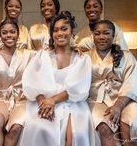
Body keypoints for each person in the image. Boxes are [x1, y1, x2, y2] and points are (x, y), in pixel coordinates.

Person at [19, 11, 100, 146]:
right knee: (40, 128)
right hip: (44, 103)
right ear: (51, 34)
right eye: (55, 30)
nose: (60, 33)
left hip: (73, 103)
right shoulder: (42, 56)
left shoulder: (82, 58)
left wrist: (53, 100)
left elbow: (79, 89)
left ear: (72, 31)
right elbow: (32, 83)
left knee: (74, 134)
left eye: (64, 29)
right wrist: (43, 104)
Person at [87, 20, 137, 146]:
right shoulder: (85, 57)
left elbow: (132, 83)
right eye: (97, 34)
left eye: (106, 33)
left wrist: (118, 105)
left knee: (130, 122)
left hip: (125, 99)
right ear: (93, 36)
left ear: (113, 36)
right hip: (97, 100)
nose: (101, 37)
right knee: (104, 125)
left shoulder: (127, 56)